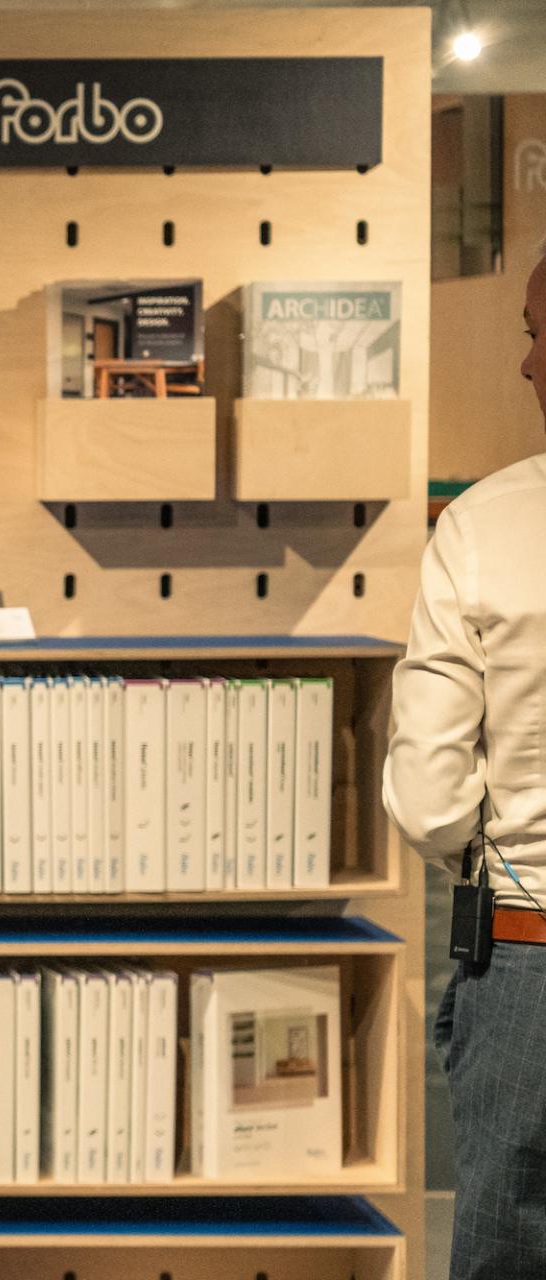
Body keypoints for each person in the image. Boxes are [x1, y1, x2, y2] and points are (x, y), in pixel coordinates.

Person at [385, 244, 546, 1279]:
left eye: (537, 334)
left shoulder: (487, 527)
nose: (528, 364)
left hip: (530, 957)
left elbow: (432, 802)